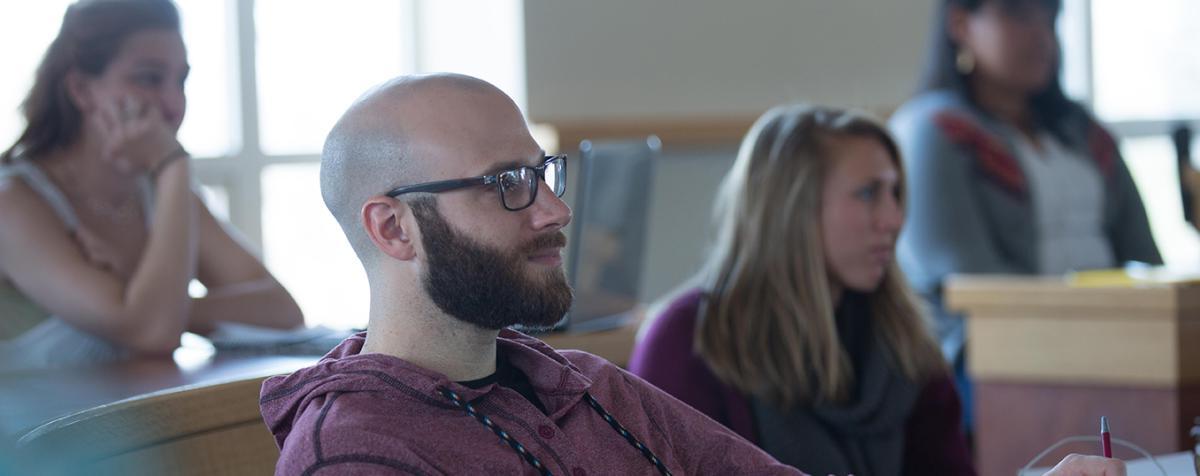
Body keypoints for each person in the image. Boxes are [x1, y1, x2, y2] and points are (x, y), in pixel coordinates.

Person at [260, 73, 1125, 476]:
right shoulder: (359, 453)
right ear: (393, 227)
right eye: (506, 188)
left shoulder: (587, 388)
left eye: (544, 175)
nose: (556, 212)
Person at [628, 105, 972, 475]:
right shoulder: (686, 342)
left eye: (896, 192)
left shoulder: (903, 339)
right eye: (869, 193)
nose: (895, 219)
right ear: (792, 208)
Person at [888, 0, 1161, 428]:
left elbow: (1145, 260)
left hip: (1117, 345)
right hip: (994, 361)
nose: (1040, 33)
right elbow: (970, 285)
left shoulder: (1084, 132)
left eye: (1049, 15)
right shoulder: (932, 131)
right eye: (1017, 13)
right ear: (961, 24)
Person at [0, 0, 303, 372]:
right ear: (81, 89)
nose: (174, 104)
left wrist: (157, 303)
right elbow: (153, 333)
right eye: (148, 78)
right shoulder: (14, 202)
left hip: (148, 424)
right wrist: (174, 166)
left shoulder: (162, 196)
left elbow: (282, 310)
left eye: (181, 80)